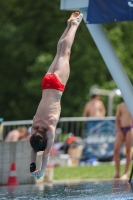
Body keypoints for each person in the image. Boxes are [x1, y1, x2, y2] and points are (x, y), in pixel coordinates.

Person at [29, 12, 83, 179]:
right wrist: (32, 167)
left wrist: (41, 171)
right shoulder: (34, 126)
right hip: (46, 83)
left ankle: (74, 24)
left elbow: (45, 155)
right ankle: (68, 26)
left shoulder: (50, 129)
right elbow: (34, 149)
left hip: (57, 85)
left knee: (65, 52)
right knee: (59, 51)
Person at [113, 102, 133, 180]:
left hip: (130, 128)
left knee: (128, 150)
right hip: (122, 129)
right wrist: (120, 131)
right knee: (116, 150)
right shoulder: (120, 105)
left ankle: (125, 173)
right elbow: (117, 119)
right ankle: (117, 173)